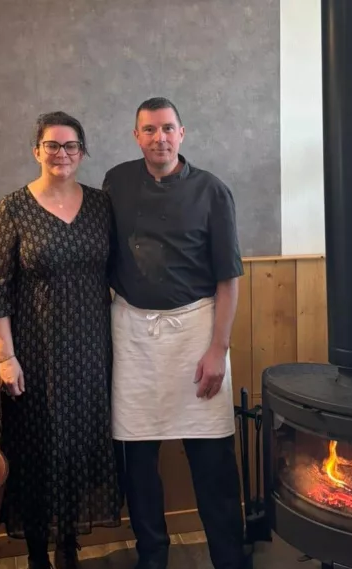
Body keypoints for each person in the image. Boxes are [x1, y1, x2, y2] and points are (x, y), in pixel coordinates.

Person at [103, 97, 246, 569]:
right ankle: (152, 557)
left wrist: (218, 349)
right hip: (133, 335)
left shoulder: (212, 190)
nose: (159, 138)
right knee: (138, 462)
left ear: (182, 133)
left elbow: (229, 279)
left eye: (167, 128)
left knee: (212, 460)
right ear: (136, 136)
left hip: (196, 335)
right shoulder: (116, 183)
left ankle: (229, 559)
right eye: (149, 130)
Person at [0, 111, 121, 569]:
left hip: (92, 351)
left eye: (71, 145)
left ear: (83, 151)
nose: (62, 153)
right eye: (52, 145)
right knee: (38, 452)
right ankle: (38, 553)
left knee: (79, 448)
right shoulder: (13, 208)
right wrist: (6, 358)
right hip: (35, 354)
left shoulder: (101, 205)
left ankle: (69, 546)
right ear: (36, 150)